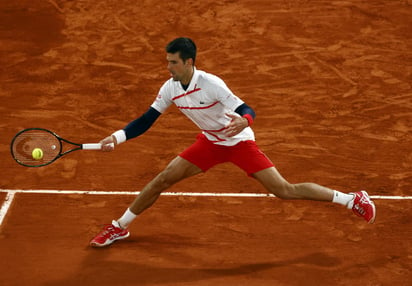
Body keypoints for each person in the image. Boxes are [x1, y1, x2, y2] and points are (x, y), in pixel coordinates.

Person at [90, 37, 376, 247]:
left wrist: (245, 121)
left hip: (239, 143)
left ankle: (351, 199)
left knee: (284, 190)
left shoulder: (212, 83)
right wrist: (117, 137)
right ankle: (120, 227)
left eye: (173, 62)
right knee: (162, 179)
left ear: (189, 62)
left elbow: (246, 108)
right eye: (167, 61)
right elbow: (146, 120)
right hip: (210, 143)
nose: (168, 67)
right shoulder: (170, 88)